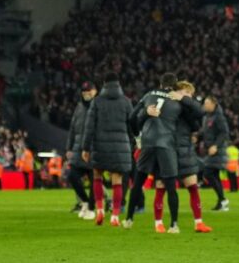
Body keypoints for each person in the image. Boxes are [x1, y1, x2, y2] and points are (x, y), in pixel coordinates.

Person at [125, 72, 186, 233]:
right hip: (167, 144)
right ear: (175, 84)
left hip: (148, 143)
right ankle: (174, 224)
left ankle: (129, 219)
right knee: (171, 186)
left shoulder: (149, 95)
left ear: (160, 84)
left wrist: (138, 134)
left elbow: (132, 117)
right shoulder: (176, 99)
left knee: (138, 183)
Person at [80, 73, 133, 227]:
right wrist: (133, 144)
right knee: (117, 180)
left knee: (97, 176)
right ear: (118, 84)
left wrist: (85, 147)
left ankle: (100, 209)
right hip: (120, 146)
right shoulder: (126, 102)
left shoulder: (96, 102)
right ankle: (115, 215)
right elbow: (132, 126)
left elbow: (89, 127)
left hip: (99, 146)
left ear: (104, 84)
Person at [158, 80, 210, 233]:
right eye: (187, 93)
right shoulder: (167, 104)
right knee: (162, 188)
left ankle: (199, 223)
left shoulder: (187, 108)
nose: (190, 97)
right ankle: (159, 223)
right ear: (179, 91)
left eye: (191, 95)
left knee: (193, 187)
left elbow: (198, 116)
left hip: (185, 151)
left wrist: (183, 99)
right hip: (167, 150)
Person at [66, 82, 97, 218]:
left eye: (88, 92)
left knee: (94, 181)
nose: (86, 95)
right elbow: (73, 128)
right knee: (72, 176)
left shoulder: (99, 106)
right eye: (84, 92)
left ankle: (91, 208)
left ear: (95, 91)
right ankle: (85, 201)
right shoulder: (79, 107)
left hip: (93, 149)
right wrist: (69, 147)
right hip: (78, 149)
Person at [199, 95, 231, 211]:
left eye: (207, 103)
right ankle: (222, 201)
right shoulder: (207, 116)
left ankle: (223, 199)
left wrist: (216, 146)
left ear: (213, 104)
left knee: (208, 173)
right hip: (210, 150)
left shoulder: (218, 117)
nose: (204, 105)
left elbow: (224, 133)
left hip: (217, 151)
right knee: (213, 174)